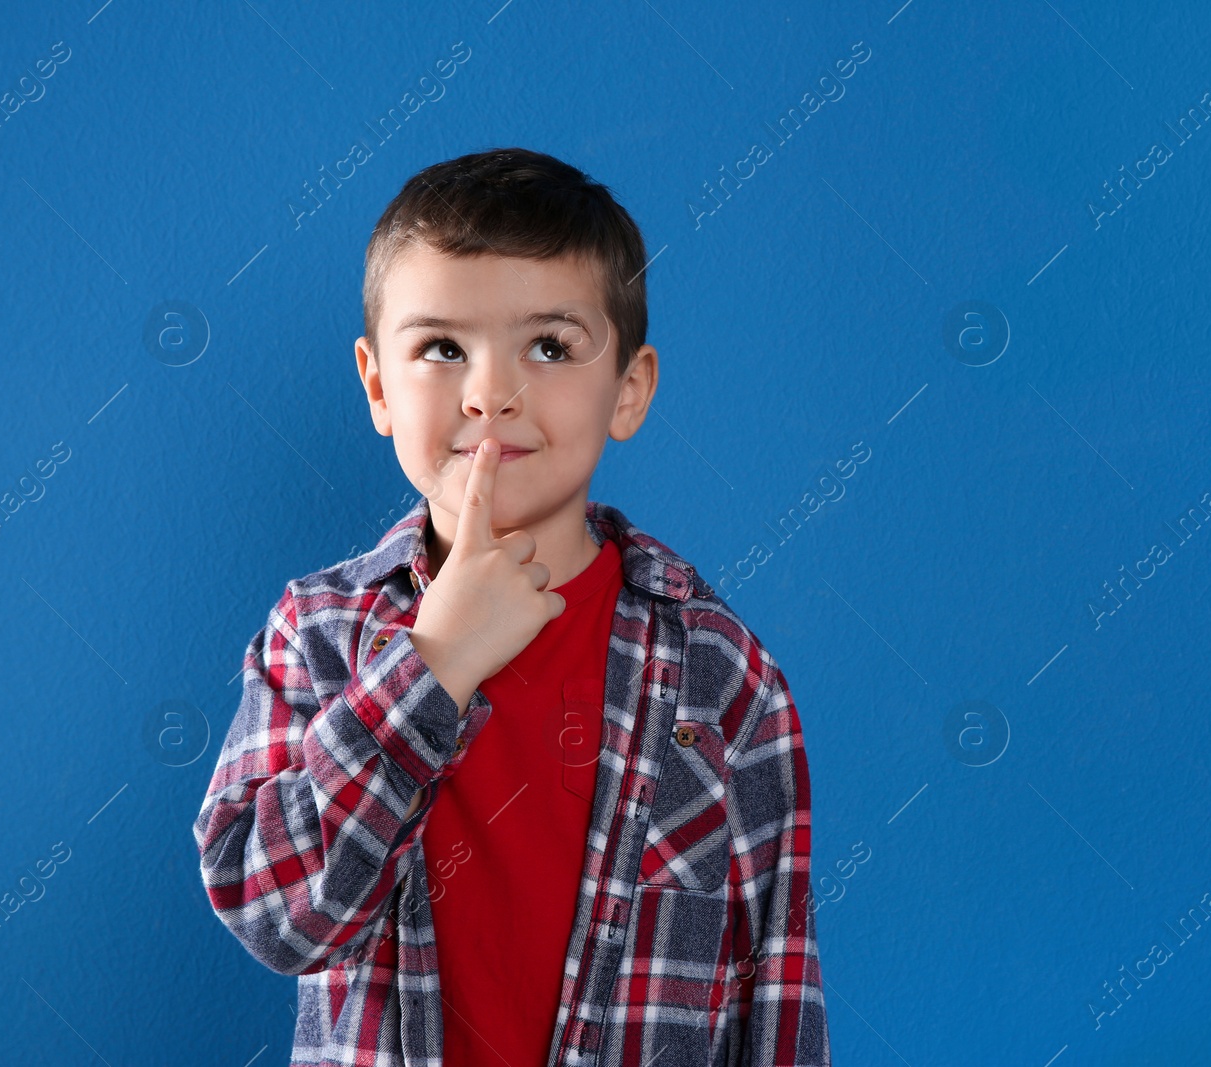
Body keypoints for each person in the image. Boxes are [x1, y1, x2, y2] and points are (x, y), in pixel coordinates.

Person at [192, 147, 830, 1067]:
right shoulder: (320, 634)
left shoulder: (723, 674)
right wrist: (434, 662)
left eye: (550, 346)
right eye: (443, 348)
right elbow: (275, 913)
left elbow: (779, 983)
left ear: (630, 389)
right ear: (377, 384)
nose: (491, 393)